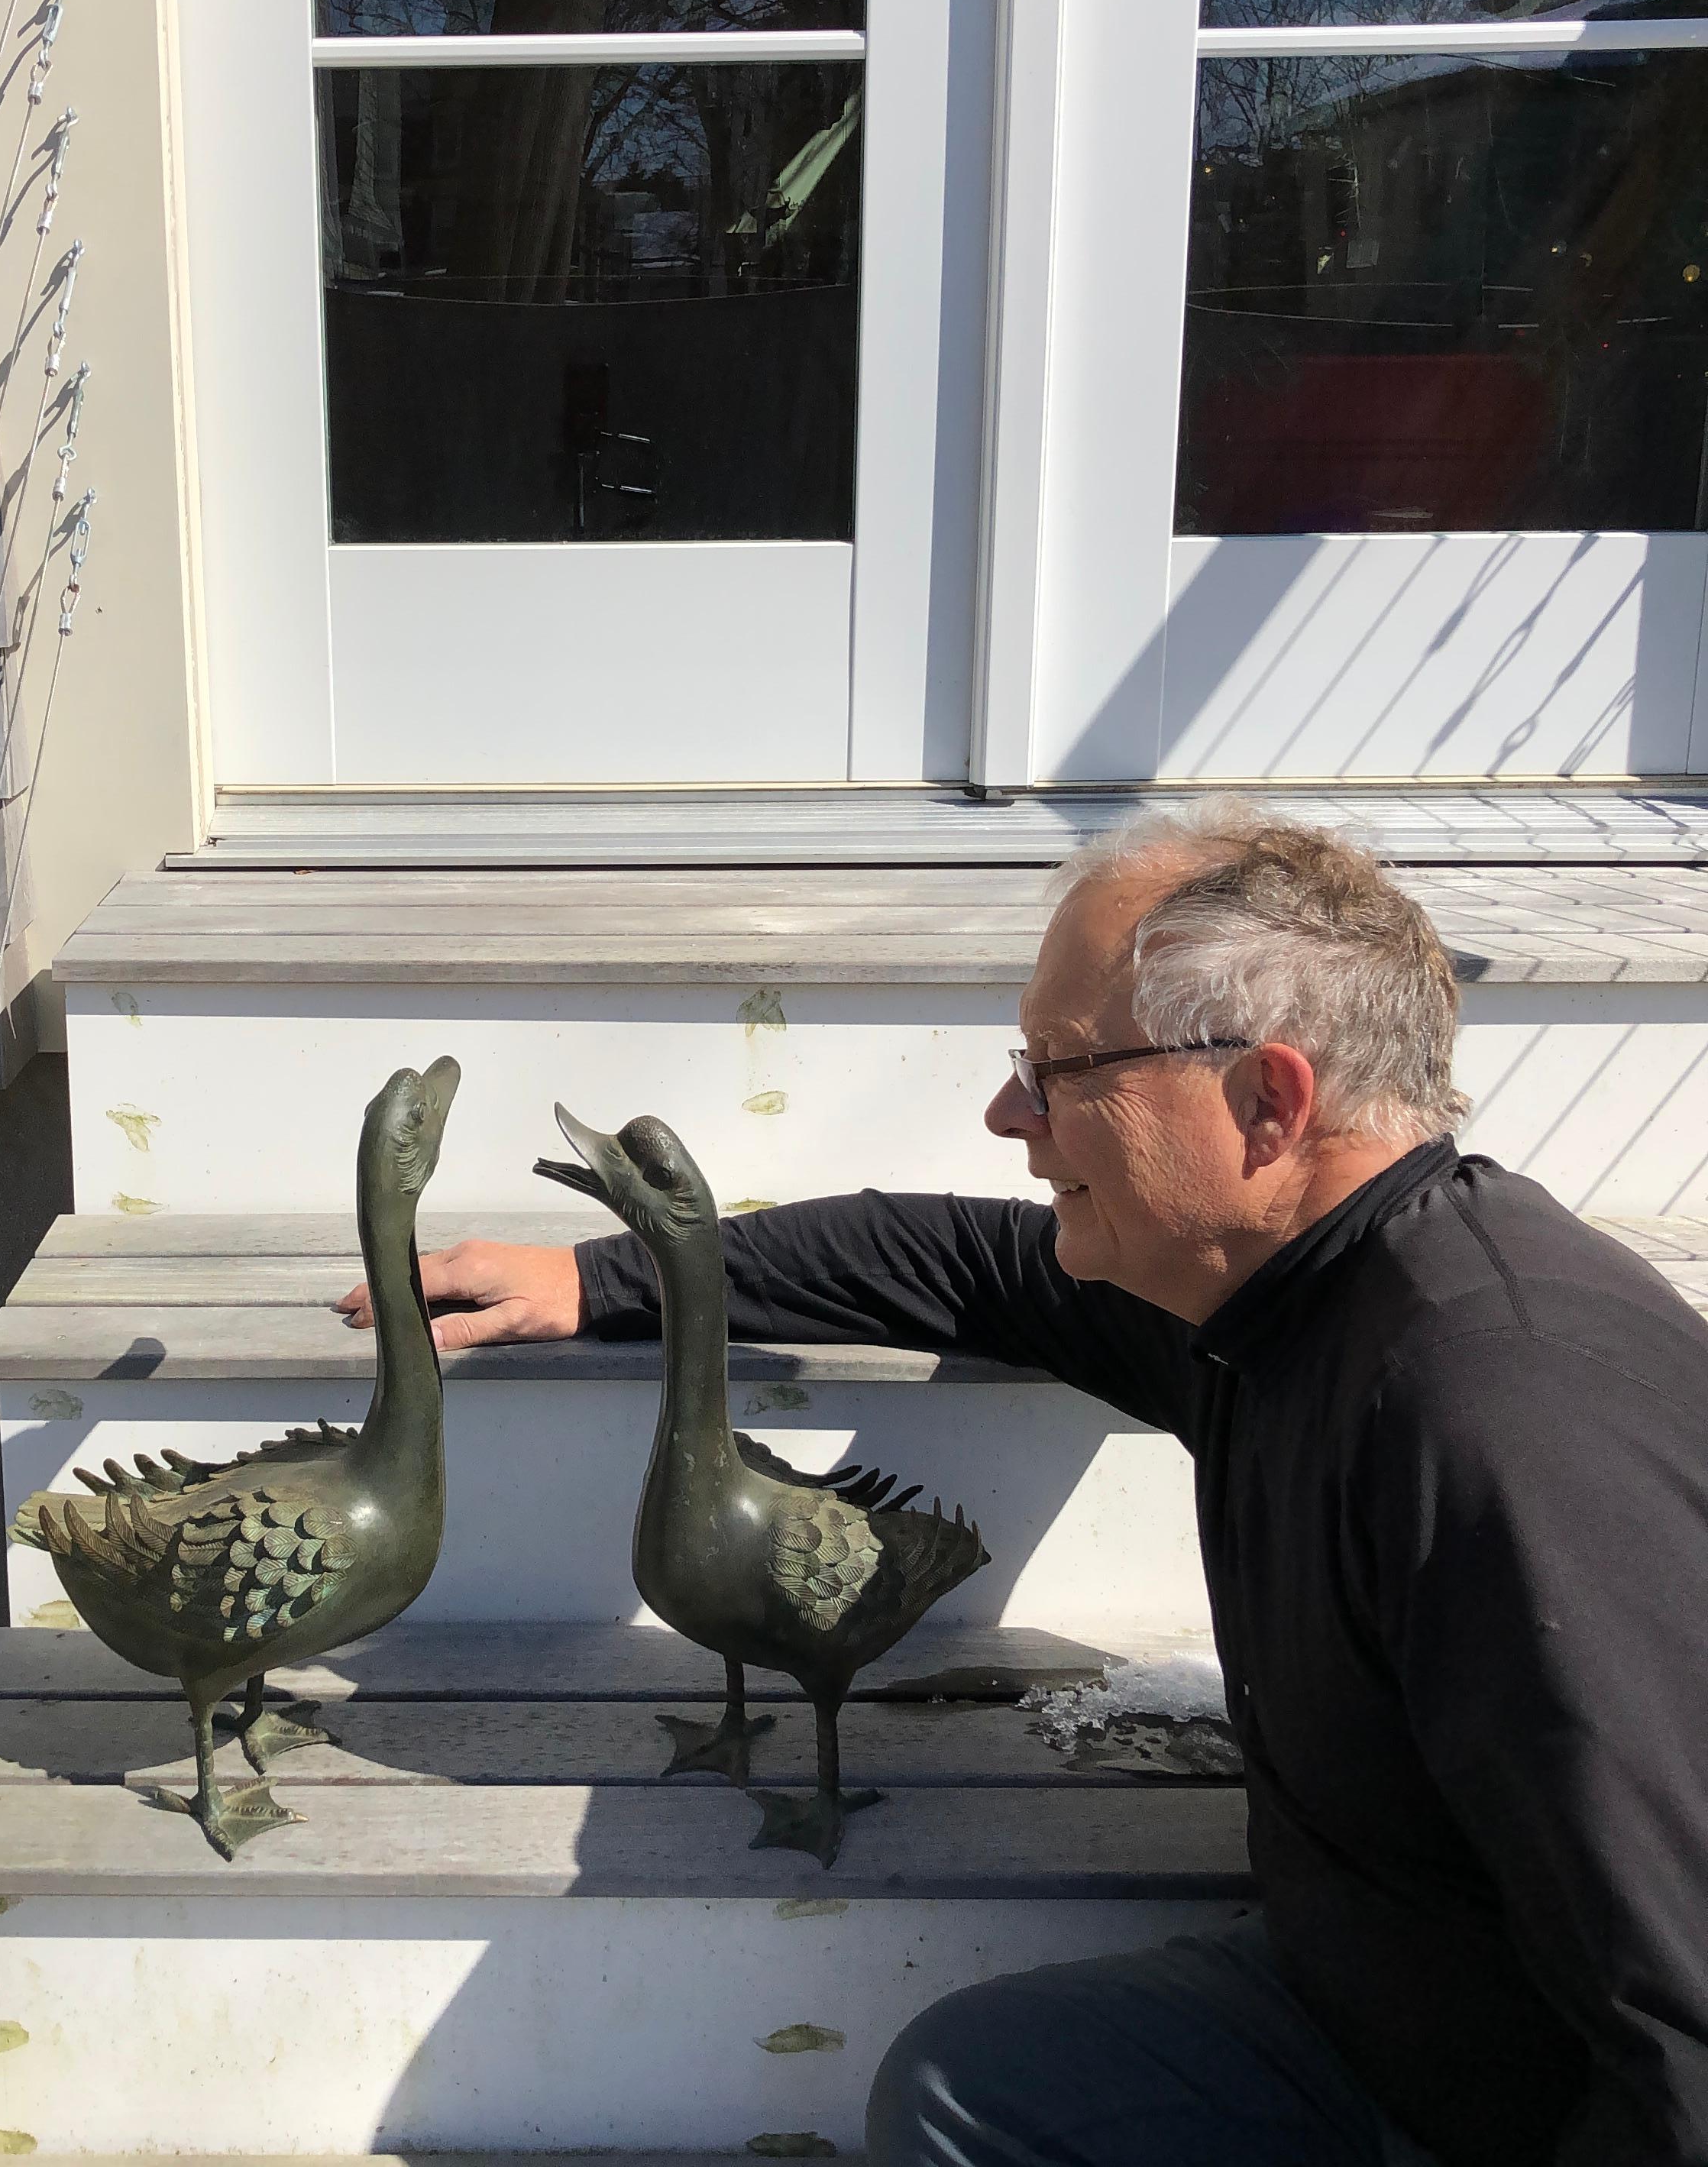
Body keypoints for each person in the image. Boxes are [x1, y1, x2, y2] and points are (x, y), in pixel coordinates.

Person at [336, 804, 1708, 2167]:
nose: (1007, 1114)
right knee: (970, 2091)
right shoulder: (1271, 1292)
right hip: (1374, 1996)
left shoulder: (1501, 1423)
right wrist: (605, 1280)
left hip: (1523, 2111)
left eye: (1059, 1066)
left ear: (1267, 1105)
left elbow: (1685, 2034)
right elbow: (959, 1262)